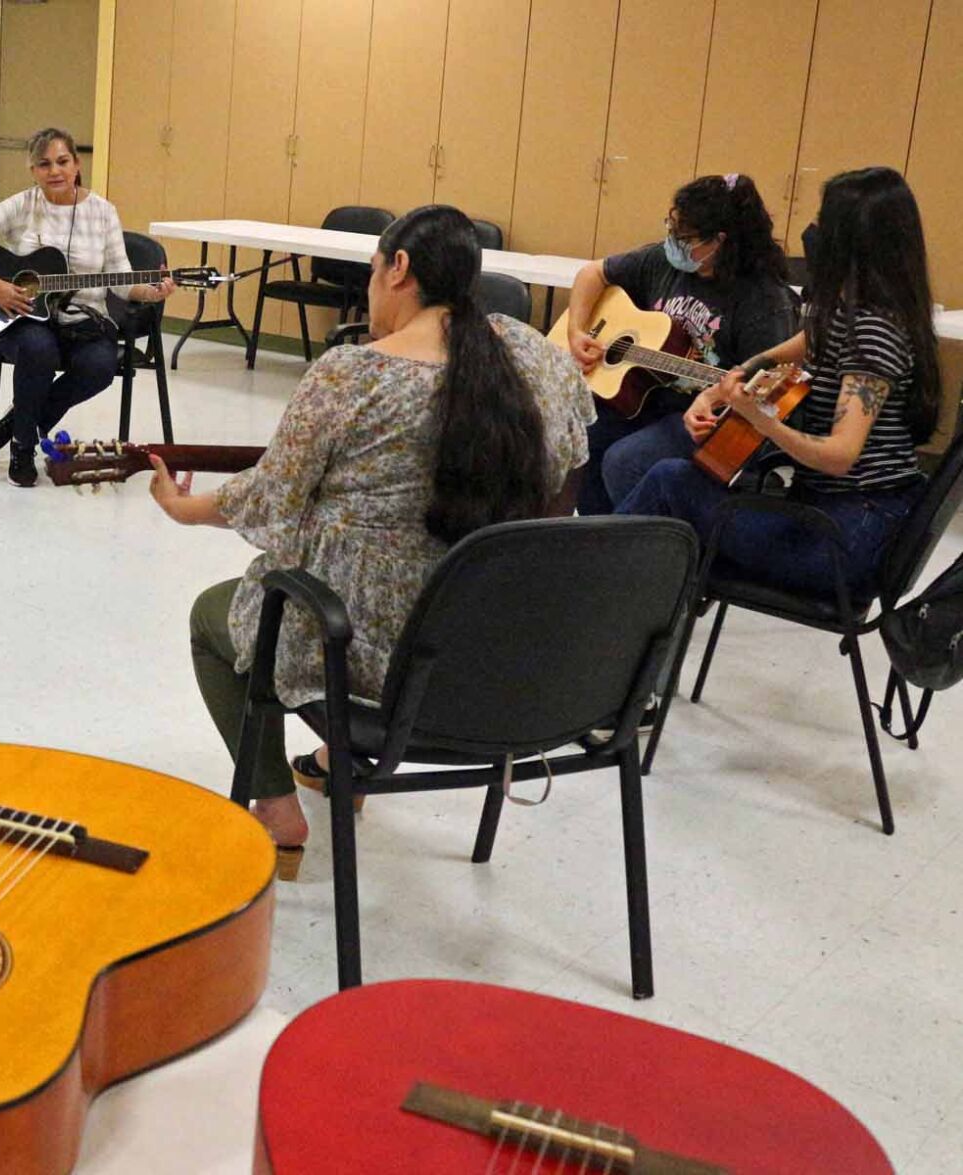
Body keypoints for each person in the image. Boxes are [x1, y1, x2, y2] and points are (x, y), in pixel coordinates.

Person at [152, 206, 594, 870]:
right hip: (494, 650)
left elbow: (269, 500)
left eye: (369, 272)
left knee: (214, 619)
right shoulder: (532, 353)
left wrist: (182, 507)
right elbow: (572, 464)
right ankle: (339, 770)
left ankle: (275, 808)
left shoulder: (349, 373)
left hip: (369, 656)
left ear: (399, 269)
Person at [617, 167, 940, 598]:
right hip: (828, 514)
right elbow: (774, 356)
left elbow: (840, 456)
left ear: (853, 240)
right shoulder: (843, 313)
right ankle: (616, 597)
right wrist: (714, 394)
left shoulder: (872, 333)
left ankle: (589, 587)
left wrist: (762, 420)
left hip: (846, 538)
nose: (814, 233)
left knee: (668, 482)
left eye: (825, 223)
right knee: (671, 485)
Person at [0, 127, 174, 487]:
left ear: (77, 164)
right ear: (33, 171)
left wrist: (153, 292)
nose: (55, 171)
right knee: (39, 349)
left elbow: (123, 280)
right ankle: (23, 447)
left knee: (99, 366)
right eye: (44, 164)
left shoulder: (102, 212)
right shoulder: (24, 204)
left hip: (86, 321)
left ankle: (19, 422)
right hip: (25, 318)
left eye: (62, 161)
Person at [563, 174, 798, 514]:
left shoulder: (764, 301)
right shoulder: (662, 261)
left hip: (699, 418)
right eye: (671, 229)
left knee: (624, 461)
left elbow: (770, 388)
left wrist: (715, 401)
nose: (673, 241)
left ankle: (642, 553)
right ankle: (598, 540)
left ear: (719, 241)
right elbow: (592, 274)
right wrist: (576, 330)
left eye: (684, 237)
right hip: (644, 399)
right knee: (578, 436)